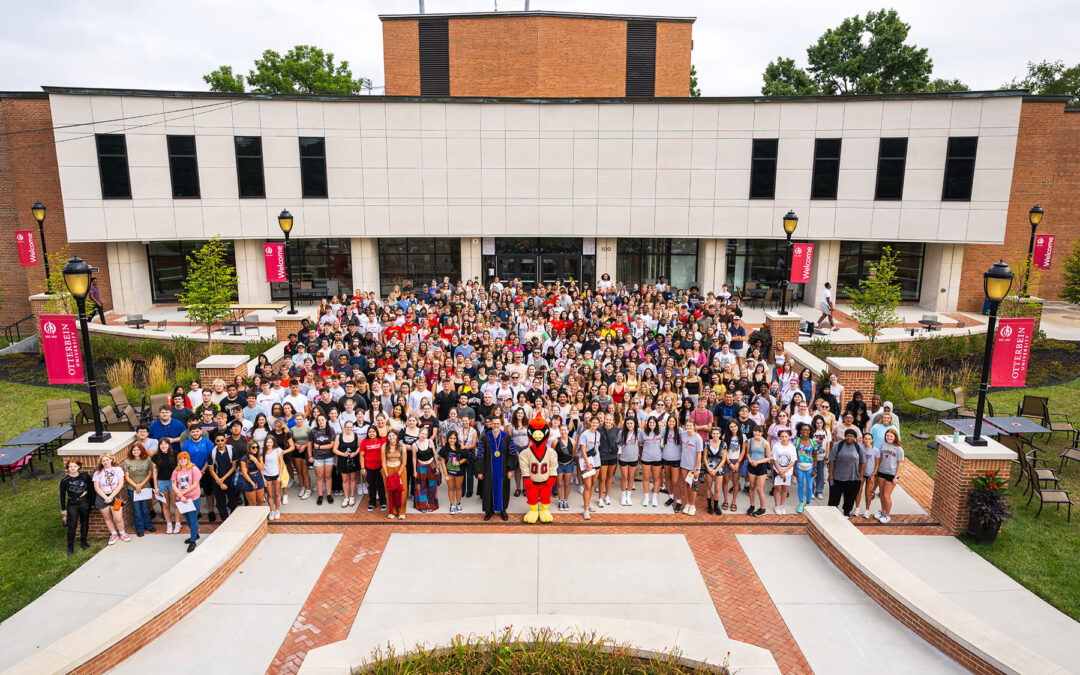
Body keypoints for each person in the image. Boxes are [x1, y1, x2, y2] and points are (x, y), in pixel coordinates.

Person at [478, 410, 513, 521]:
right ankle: (489, 511)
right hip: (489, 469)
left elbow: (512, 454)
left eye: (498, 423)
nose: (496, 425)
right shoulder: (485, 437)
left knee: (503, 489)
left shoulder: (506, 437)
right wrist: (480, 471)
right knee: (488, 489)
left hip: (503, 470)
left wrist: (510, 469)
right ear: (491, 424)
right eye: (494, 424)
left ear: (501, 424)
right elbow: (480, 455)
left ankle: (503, 510)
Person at [828, 428, 866, 517]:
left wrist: (860, 476)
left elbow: (863, 462)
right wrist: (831, 475)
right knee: (834, 497)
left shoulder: (858, 447)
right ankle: (833, 513)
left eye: (852, 436)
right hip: (837, 477)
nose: (849, 438)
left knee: (850, 498)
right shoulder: (838, 445)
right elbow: (832, 460)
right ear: (845, 436)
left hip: (853, 478)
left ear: (855, 438)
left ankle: (846, 512)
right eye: (848, 436)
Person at [92, 454, 129, 544]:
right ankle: (113, 534)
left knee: (118, 518)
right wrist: (105, 497)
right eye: (103, 461)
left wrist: (111, 496)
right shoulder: (97, 473)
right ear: (101, 463)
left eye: (107, 460)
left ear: (111, 460)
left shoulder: (118, 470)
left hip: (115, 496)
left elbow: (120, 484)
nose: (106, 462)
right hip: (102, 497)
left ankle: (122, 533)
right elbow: (96, 487)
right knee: (107, 517)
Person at [59, 460, 92, 554]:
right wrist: (63, 508)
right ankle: (70, 547)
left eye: (74, 466)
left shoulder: (85, 477)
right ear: (67, 468)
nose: (72, 468)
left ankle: (83, 542)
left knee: (84, 523)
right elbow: (62, 495)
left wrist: (91, 503)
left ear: (78, 467)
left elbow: (91, 489)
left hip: (84, 503)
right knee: (72, 525)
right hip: (72, 505)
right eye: (70, 466)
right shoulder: (64, 481)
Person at [171, 451, 202, 552]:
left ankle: (193, 541)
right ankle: (195, 534)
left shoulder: (194, 469)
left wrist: (182, 493)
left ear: (188, 459)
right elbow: (174, 484)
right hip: (181, 499)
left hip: (192, 499)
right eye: (180, 459)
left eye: (184, 458)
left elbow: (194, 484)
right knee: (187, 519)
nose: (182, 460)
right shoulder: (176, 470)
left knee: (193, 519)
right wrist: (180, 495)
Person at [123, 444, 155, 536]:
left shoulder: (147, 460)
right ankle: (139, 528)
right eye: (134, 450)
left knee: (145, 508)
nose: (136, 452)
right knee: (137, 509)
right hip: (133, 489)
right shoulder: (127, 461)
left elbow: (149, 474)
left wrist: (140, 485)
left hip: (145, 487)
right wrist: (136, 486)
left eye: (138, 450)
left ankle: (148, 526)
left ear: (141, 450)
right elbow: (127, 476)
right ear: (131, 452)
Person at [875, 429, 905, 523]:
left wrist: (897, 477)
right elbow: (879, 458)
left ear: (895, 437)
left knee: (886, 495)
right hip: (881, 471)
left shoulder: (899, 448)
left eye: (891, 436)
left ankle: (887, 515)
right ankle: (883, 512)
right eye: (887, 435)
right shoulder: (883, 444)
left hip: (891, 474)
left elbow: (900, 463)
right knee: (881, 493)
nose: (889, 437)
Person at [207, 432, 238, 522]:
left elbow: (234, 467)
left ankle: (233, 520)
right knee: (220, 503)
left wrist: (223, 480)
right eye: (218, 440)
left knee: (233, 502)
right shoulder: (211, 454)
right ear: (215, 442)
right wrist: (220, 482)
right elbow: (211, 470)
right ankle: (224, 520)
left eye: (222, 440)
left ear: (225, 440)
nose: (220, 442)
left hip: (229, 480)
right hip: (217, 481)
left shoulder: (231, 450)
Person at [577, 414, 602, 520]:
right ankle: (586, 509)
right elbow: (583, 450)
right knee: (587, 486)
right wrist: (588, 464)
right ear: (590, 423)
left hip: (597, 463)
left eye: (597, 423)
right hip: (587, 464)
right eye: (593, 422)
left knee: (592, 485)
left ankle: (588, 503)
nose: (595, 424)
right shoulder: (584, 434)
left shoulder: (598, 434)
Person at [309, 414, 337, 505]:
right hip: (318, 457)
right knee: (319, 477)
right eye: (319, 420)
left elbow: (332, 444)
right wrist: (310, 456)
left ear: (326, 420)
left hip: (329, 456)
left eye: (322, 420)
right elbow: (310, 444)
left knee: (328, 476)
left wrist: (319, 447)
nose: (321, 422)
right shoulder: (313, 431)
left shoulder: (331, 430)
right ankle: (320, 495)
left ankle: (329, 494)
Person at [412, 427, 440, 512]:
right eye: (421, 433)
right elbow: (414, 458)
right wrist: (414, 471)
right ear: (419, 434)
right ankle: (422, 505)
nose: (423, 435)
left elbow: (435, 454)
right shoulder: (415, 445)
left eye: (425, 434)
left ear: (427, 435)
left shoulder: (430, 442)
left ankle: (432, 504)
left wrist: (437, 466)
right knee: (421, 487)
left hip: (431, 465)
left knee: (432, 486)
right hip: (421, 466)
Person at [678, 419, 702, 516]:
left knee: (693, 486)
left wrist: (697, 468)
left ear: (694, 426)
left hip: (693, 466)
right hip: (684, 464)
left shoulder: (698, 438)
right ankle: (687, 503)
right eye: (687, 425)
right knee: (686, 484)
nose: (688, 427)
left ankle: (693, 505)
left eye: (690, 425)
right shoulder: (683, 435)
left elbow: (699, 454)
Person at [721, 419, 746, 514]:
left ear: (738, 426)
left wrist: (738, 462)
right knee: (726, 480)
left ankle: (734, 502)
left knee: (735, 481)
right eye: (731, 427)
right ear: (729, 428)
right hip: (727, 460)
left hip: (736, 460)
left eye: (735, 426)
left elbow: (743, 450)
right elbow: (724, 450)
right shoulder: (725, 436)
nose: (733, 428)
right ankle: (726, 500)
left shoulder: (742, 436)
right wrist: (729, 462)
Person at [381, 431, 408, 520]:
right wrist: (387, 474)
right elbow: (383, 462)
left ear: (396, 436)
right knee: (389, 491)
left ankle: (401, 512)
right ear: (387, 437)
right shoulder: (384, 447)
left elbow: (404, 462)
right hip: (388, 470)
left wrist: (398, 474)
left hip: (400, 470)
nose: (391, 437)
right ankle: (392, 511)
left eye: (393, 435)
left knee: (402, 491)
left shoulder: (402, 446)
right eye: (389, 436)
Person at [745, 426, 770, 517]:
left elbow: (768, 457)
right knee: (751, 487)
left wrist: (758, 462)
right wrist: (750, 460)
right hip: (752, 466)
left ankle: (762, 508)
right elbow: (747, 453)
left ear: (762, 433)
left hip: (761, 467)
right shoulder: (749, 441)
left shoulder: (765, 443)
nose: (757, 433)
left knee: (759, 489)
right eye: (755, 431)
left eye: (759, 432)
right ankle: (752, 505)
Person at [639, 416, 663, 508]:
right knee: (646, 478)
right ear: (647, 423)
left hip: (657, 458)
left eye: (653, 423)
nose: (652, 424)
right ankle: (646, 497)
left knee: (656, 479)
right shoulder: (643, 432)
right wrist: (640, 456)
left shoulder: (661, 432)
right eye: (650, 423)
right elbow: (640, 445)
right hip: (646, 458)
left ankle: (655, 497)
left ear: (656, 423)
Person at [771, 428, 797, 515]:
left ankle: (782, 505)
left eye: (786, 436)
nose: (784, 438)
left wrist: (784, 471)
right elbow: (774, 459)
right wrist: (780, 470)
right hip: (777, 470)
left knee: (785, 489)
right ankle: (777, 505)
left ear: (789, 437)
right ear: (779, 437)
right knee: (777, 488)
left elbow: (793, 461)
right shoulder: (776, 446)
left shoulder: (792, 447)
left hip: (788, 472)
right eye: (782, 436)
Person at [855, 432, 881, 519]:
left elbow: (877, 464)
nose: (867, 440)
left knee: (868, 493)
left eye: (869, 439)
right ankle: (857, 508)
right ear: (863, 439)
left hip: (870, 474)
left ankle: (867, 510)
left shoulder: (876, 450)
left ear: (872, 440)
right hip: (861, 473)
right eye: (866, 438)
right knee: (858, 491)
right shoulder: (860, 448)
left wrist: (874, 474)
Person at [439, 429, 465, 514]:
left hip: (459, 471)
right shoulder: (444, 449)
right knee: (451, 488)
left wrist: (459, 462)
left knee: (458, 487)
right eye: (450, 438)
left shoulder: (461, 447)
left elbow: (468, 456)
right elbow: (442, 462)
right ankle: (452, 504)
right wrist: (445, 474)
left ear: (457, 439)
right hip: (449, 472)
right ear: (447, 438)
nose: (452, 440)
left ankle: (459, 503)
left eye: (454, 438)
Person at [793, 423, 817, 514]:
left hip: (810, 467)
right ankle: (801, 503)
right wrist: (794, 469)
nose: (805, 432)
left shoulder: (813, 442)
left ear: (810, 431)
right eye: (803, 430)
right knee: (800, 485)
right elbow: (794, 455)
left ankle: (808, 503)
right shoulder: (797, 441)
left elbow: (815, 456)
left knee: (810, 487)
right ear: (800, 431)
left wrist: (815, 468)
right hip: (799, 466)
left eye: (807, 430)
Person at [616, 416, 640, 506]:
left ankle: (628, 496)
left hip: (633, 458)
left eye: (631, 423)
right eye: (628, 423)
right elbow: (617, 442)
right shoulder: (621, 432)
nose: (629, 425)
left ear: (634, 424)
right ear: (625, 424)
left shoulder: (638, 432)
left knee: (631, 477)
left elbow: (641, 441)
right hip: (623, 458)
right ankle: (623, 495)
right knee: (624, 477)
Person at [551, 425, 575, 512]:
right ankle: (560, 500)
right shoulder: (555, 441)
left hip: (569, 464)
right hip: (559, 464)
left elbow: (573, 454)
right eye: (561, 430)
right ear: (559, 431)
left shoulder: (572, 441)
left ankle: (565, 500)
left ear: (568, 431)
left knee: (567, 484)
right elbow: (552, 454)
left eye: (565, 430)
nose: (563, 432)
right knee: (559, 483)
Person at [238, 440, 266, 507]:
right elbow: (244, 473)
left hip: (258, 477)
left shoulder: (259, 456)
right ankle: (253, 517)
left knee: (261, 501)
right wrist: (252, 483)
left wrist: (255, 460)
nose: (255, 449)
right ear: (249, 448)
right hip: (249, 479)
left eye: (257, 447)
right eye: (253, 447)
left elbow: (261, 468)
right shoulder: (244, 459)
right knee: (252, 503)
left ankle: (260, 517)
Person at [703, 427, 725, 516]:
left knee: (717, 488)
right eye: (714, 433)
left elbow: (723, 459)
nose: (715, 435)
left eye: (717, 433)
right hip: (709, 466)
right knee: (709, 486)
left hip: (719, 467)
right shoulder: (707, 443)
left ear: (720, 434)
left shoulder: (723, 444)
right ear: (711, 434)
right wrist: (708, 469)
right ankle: (709, 505)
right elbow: (704, 457)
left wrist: (716, 470)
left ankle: (716, 506)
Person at [263, 433, 284, 519]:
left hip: (276, 474)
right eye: (267, 442)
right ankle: (271, 511)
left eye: (271, 442)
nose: (269, 444)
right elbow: (262, 464)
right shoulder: (262, 451)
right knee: (270, 495)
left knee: (277, 493)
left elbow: (281, 463)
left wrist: (280, 475)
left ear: (273, 443)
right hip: (267, 475)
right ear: (265, 443)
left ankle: (277, 510)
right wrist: (263, 478)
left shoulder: (278, 450)